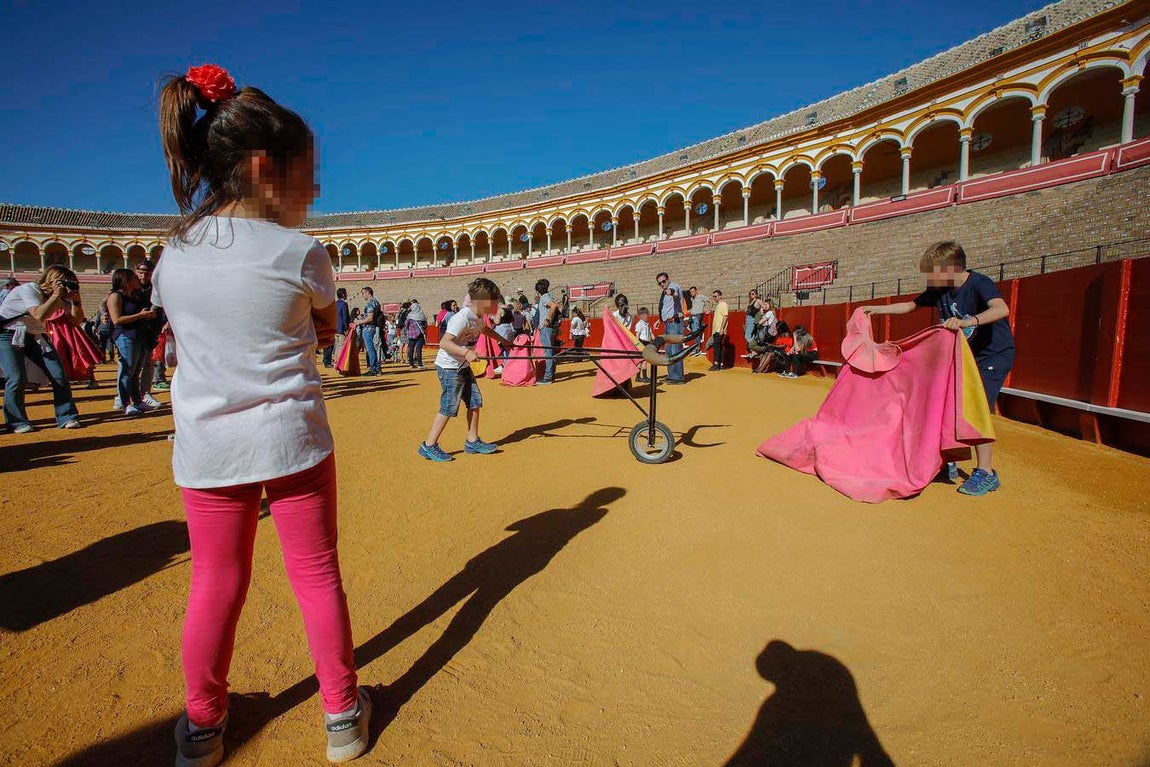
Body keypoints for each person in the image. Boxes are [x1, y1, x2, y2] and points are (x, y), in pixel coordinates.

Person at [155, 64, 371, 765]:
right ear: (261, 167)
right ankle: (342, 715)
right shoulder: (300, 250)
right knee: (316, 574)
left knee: (215, 583)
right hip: (292, 439)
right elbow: (327, 325)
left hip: (209, 447)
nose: (315, 189)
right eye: (306, 173)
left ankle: (202, 728)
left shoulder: (171, 256)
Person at [863, 240, 1013, 496]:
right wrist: (875, 309)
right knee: (946, 406)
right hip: (961, 355)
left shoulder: (979, 283)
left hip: (992, 356)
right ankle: (946, 462)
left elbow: (1002, 308)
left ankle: (986, 472)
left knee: (976, 409)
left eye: (933, 272)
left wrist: (970, 320)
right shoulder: (940, 288)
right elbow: (910, 306)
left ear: (951, 269)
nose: (929, 277)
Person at [418, 278, 510, 462]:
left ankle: (472, 440)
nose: (496, 305)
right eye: (493, 301)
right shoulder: (462, 317)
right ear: (481, 302)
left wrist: (504, 341)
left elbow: (485, 331)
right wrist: (465, 352)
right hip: (449, 367)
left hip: (462, 366)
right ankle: (428, 445)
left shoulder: (477, 318)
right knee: (449, 406)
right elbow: (444, 342)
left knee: (475, 401)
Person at [0, 265, 84, 433]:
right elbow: (39, 314)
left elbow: (76, 320)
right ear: (53, 280)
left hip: (36, 335)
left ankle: (67, 416)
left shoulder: (59, 297)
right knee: (16, 377)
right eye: (67, 282)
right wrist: (56, 295)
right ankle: (16, 422)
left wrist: (76, 300)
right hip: (9, 333)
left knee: (59, 374)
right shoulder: (28, 289)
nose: (69, 286)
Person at [107, 268, 157, 415]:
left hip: (137, 335)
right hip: (125, 335)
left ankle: (137, 401)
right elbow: (117, 320)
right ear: (126, 280)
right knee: (127, 370)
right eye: (134, 278)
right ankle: (124, 403)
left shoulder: (133, 296)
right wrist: (140, 315)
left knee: (135, 372)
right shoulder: (115, 296)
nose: (138, 279)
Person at [133, 259, 167, 406]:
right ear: (136, 271)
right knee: (132, 366)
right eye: (141, 273)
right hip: (133, 330)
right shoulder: (130, 287)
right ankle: (126, 396)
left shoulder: (156, 287)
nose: (143, 276)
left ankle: (145, 393)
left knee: (149, 363)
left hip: (152, 329)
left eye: (147, 273)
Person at [656, 271, 686, 384]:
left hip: (675, 322)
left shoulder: (674, 286)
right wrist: (660, 320)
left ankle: (678, 377)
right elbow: (665, 308)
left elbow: (676, 295)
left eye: (663, 281)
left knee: (676, 349)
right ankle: (671, 375)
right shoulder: (664, 292)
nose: (662, 284)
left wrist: (671, 292)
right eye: (660, 283)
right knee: (669, 350)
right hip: (668, 323)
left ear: (668, 279)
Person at [534, 278, 560, 385]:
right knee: (551, 351)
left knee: (548, 352)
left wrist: (547, 319)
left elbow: (554, 306)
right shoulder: (549, 297)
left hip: (546, 328)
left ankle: (548, 377)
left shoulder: (544, 298)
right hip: (550, 328)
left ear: (537, 291)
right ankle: (551, 374)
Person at [323, 288, 350, 368]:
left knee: (337, 346)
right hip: (341, 328)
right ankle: (339, 362)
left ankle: (336, 361)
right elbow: (345, 317)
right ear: (343, 295)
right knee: (341, 345)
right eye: (346, 293)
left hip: (334, 328)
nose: (346, 295)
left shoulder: (334, 304)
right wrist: (346, 328)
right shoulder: (344, 304)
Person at [359, 287, 381, 375]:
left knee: (370, 349)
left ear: (368, 292)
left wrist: (359, 322)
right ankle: (377, 367)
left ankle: (373, 369)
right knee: (373, 348)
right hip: (373, 327)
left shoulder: (371, 303)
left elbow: (370, 318)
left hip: (368, 328)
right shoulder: (375, 302)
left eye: (363, 293)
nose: (362, 295)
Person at [709, 289, 729, 371]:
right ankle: (721, 364)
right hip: (716, 329)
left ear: (720, 296)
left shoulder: (723, 304)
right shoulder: (718, 305)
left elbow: (725, 316)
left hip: (718, 329)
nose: (714, 298)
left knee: (717, 347)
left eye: (715, 296)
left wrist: (722, 328)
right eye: (713, 296)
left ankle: (716, 364)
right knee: (719, 347)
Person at [634, 307, 654, 383]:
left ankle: (639, 377)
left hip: (647, 342)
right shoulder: (639, 324)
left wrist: (654, 340)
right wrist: (637, 344)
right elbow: (637, 335)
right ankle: (643, 377)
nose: (646, 316)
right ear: (640, 315)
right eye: (644, 314)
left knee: (643, 360)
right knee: (643, 360)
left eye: (646, 314)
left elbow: (651, 334)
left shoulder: (647, 324)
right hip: (641, 343)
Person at [494, 305, 515, 371]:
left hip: (501, 329)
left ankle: (505, 364)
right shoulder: (509, 309)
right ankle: (509, 364)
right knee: (508, 347)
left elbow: (497, 322)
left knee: (502, 347)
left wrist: (493, 317)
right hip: (509, 328)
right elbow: (512, 319)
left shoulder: (500, 310)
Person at [688, 286, 707, 352]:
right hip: (692, 315)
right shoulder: (692, 299)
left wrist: (709, 309)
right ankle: (701, 328)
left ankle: (697, 348)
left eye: (693, 291)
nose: (691, 293)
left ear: (696, 291)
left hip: (698, 315)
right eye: (690, 292)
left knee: (695, 332)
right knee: (691, 329)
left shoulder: (701, 297)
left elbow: (710, 301)